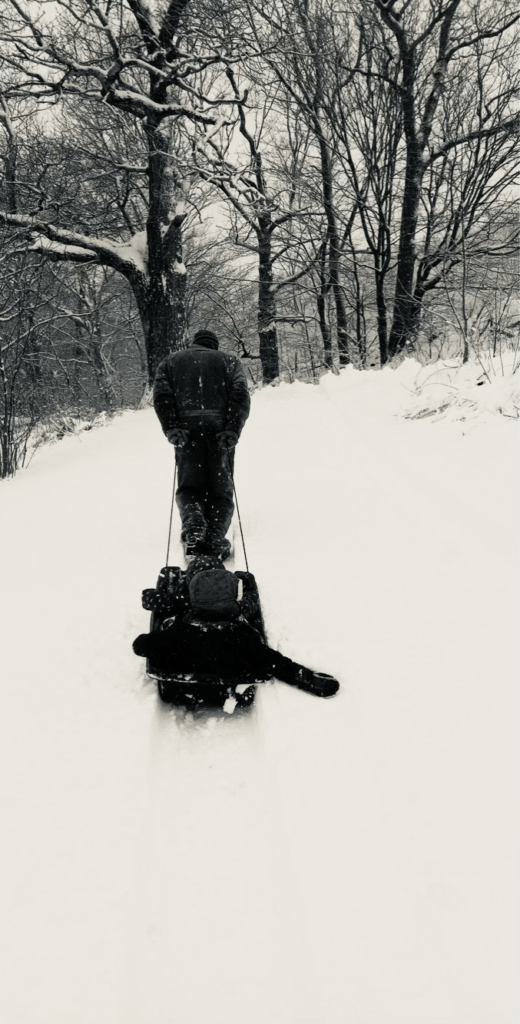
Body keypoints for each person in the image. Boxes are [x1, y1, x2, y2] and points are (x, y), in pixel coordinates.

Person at [133, 556, 340, 699]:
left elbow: (141, 645)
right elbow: (276, 663)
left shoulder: (176, 635)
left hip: (183, 675)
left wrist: (171, 605)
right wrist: (310, 680)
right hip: (230, 670)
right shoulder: (242, 638)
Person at [153, 328, 251, 558]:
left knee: (190, 486)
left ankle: (195, 529)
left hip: (187, 434)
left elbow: (161, 397)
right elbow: (240, 396)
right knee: (221, 488)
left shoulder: (170, 362)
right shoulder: (229, 362)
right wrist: (232, 430)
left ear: (193, 343)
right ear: (214, 345)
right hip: (219, 432)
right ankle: (216, 537)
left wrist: (172, 428)